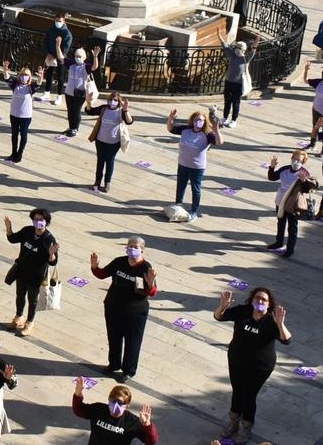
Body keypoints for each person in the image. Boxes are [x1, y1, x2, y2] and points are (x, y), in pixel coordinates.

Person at [212, 287, 292, 443]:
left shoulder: (271, 319)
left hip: (260, 367)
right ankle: (233, 422)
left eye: (264, 300)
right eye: (257, 298)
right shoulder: (243, 311)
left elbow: (287, 340)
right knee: (237, 390)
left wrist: (281, 324)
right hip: (237, 360)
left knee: (249, 395)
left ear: (269, 304)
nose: (260, 301)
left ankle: (246, 426)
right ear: (252, 300)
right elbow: (218, 317)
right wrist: (222, 306)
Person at [90, 237, 158, 379]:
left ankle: (128, 370)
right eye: (130, 246)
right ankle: (113, 364)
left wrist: (150, 284)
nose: (132, 249)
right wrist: (95, 267)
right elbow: (102, 274)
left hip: (135, 312)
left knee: (132, 342)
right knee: (114, 338)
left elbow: (150, 292)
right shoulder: (119, 262)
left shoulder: (145, 268)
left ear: (142, 250)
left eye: (135, 247)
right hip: (113, 307)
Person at [3, 209, 58, 337]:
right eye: (36, 219)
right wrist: (9, 228)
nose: (38, 222)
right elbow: (12, 239)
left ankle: (29, 322)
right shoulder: (27, 231)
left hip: (36, 276)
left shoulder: (49, 240)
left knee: (32, 300)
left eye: (41, 220)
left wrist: (51, 254)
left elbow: (53, 263)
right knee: (20, 295)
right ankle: (18, 317)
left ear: (46, 222)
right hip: (22, 271)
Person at [167, 108, 223, 222]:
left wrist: (217, 131)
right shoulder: (186, 130)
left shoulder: (207, 134)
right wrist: (171, 118)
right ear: (192, 120)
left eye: (201, 120)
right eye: (197, 119)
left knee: (195, 189)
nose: (199, 122)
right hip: (183, 163)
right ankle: (178, 204)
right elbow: (171, 129)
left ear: (204, 122)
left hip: (197, 167)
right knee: (180, 185)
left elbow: (219, 142)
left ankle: (194, 211)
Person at [72, 378, 158, 444]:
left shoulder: (132, 422)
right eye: (113, 401)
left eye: (120, 403)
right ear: (108, 400)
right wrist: (78, 393)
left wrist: (147, 426)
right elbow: (79, 410)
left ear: (127, 406)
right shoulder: (98, 409)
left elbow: (151, 441)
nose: (116, 405)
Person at [267, 150, 319, 257]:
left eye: (299, 160)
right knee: (280, 223)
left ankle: (290, 249)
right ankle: (279, 242)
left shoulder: (304, 173)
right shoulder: (284, 169)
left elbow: (305, 191)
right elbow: (272, 177)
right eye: (294, 159)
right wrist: (272, 167)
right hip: (281, 201)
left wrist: (304, 181)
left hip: (293, 205)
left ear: (303, 162)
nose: (296, 162)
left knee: (292, 227)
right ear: (291, 159)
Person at [85, 92, 134, 193]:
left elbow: (129, 121)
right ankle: (97, 181)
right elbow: (90, 111)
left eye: (115, 100)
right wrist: (88, 102)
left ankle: (107, 182)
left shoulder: (121, 111)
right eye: (111, 99)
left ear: (119, 102)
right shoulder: (104, 108)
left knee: (110, 161)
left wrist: (126, 110)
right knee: (100, 161)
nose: (113, 102)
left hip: (113, 143)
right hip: (100, 140)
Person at [0, 62, 41, 163]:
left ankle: (19, 154)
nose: (24, 77)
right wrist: (5, 70)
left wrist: (40, 76)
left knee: (23, 135)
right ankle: (13, 153)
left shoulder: (30, 87)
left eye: (26, 75)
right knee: (14, 135)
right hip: (14, 114)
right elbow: (7, 78)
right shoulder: (15, 85)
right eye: (22, 74)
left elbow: (38, 84)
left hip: (25, 117)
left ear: (30, 77)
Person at [219, 31, 256, 127]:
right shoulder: (232, 55)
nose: (236, 49)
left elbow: (253, 51)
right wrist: (220, 36)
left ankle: (234, 120)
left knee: (236, 103)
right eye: (236, 47)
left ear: (243, 50)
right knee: (227, 101)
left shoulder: (245, 59)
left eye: (238, 48)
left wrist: (256, 42)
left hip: (238, 84)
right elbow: (225, 47)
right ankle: (225, 117)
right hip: (228, 82)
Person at [63, 45, 100, 137]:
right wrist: (57, 46)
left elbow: (95, 67)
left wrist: (95, 56)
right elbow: (61, 57)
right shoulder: (71, 64)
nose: (77, 58)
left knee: (76, 111)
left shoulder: (86, 67)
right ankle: (71, 127)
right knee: (70, 111)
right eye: (76, 56)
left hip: (80, 93)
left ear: (84, 58)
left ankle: (75, 128)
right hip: (69, 92)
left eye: (80, 57)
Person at [41, 12, 71, 103]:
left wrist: (55, 55)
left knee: (60, 77)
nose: (58, 22)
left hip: (60, 58)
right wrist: (48, 53)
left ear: (64, 21)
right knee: (49, 74)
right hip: (50, 56)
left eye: (60, 21)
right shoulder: (51, 29)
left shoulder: (67, 33)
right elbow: (45, 41)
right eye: (56, 20)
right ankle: (47, 92)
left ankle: (59, 96)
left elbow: (65, 48)